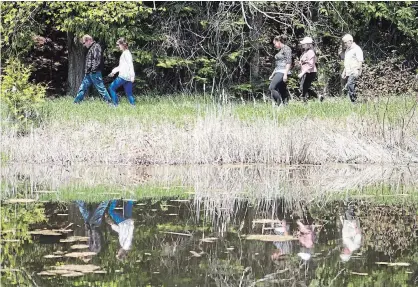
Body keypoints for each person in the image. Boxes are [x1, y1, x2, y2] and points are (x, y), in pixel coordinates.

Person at [74, 35, 113, 104]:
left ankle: (110, 103)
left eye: (84, 43)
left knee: (101, 88)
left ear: (88, 40)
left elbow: (97, 60)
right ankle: (76, 102)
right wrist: (88, 71)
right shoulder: (92, 48)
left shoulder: (96, 46)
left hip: (95, 72)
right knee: (82, 87)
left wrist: (93, 70)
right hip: (89, 73)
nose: (84, 45)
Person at [108, 38, 136, 106]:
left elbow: (130, 64)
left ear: (123, 45)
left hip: (123, 76)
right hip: (127, 77)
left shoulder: (126, 53)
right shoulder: (126, 53)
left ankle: (115, 105)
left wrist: (132, 76)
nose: (118, 46)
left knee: (111, 88)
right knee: (129, 93)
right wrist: (113, 72)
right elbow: (121, 66)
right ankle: (133, 106)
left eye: (119, 45)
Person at [269, 35, 292, 106]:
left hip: (283, 71)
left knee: (272, 87)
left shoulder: (287, 49)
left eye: (275, 43)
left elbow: (288, 62)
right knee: (282, 89)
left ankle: (277, 103)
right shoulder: (281, 50)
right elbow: (277, 65)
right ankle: (285, 105)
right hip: (279, 71)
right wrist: (272, 74)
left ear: (278, 42)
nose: (274, 45)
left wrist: (285, 74)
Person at [341, 34, 364, 103]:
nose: (344, 44)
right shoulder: (347, 50)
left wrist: (358, 70)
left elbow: (360, 61)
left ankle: (354, 102)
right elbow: (347, 62)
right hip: (348, 71)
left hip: (354, 71)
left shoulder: (357, 49)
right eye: (344, 43)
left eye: (345, 42)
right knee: (350, 86)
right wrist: (344, 72)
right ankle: (353, 101)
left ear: (350, 41)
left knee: (350, 84)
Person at [298, 37, 317, 102]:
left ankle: (304, 100)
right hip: (306, 72)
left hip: (309, 72)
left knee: (303, 87)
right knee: (303, 87)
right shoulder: (305, 52)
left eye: (304, 44)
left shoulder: (311, 52)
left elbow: (311, 65)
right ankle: (318, 96)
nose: (303, 45)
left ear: (308, 44)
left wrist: (302, 73)